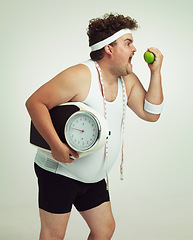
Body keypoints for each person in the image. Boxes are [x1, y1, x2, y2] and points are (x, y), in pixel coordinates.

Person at [26, 13, 164, 240]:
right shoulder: (80, 75)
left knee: (104, 230)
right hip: (60, 172)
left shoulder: (126, 79)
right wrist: (56, 145)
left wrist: (155, 72)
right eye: (128, 43)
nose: (135, 49)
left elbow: (151, 113)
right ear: (109, 49)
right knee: (53, 235)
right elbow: (35, 102)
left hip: (93, 177)